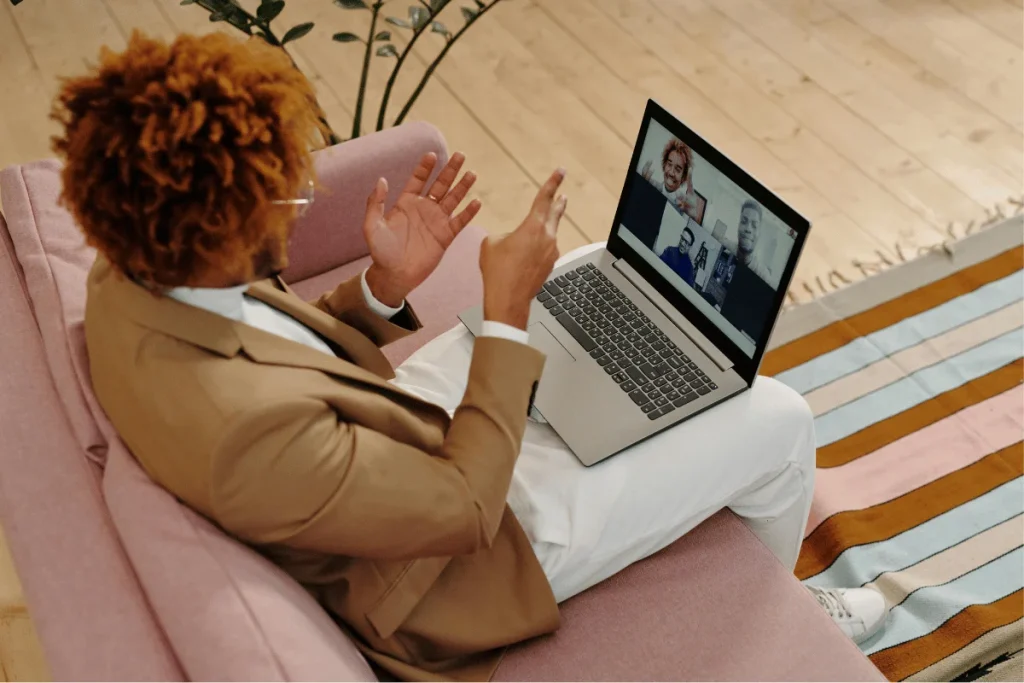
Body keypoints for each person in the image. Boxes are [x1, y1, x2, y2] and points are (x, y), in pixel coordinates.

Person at [61, 33, 887, 683]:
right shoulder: (245, 439)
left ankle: (595, 392)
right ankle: (795, 614)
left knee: (589, 266)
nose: (298, 204)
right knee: (781, 419)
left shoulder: (132, 269)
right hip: (465, 560)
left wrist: (384, 286)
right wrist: (504, 321)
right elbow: (461, 506)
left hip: (379, 442)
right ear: (213, 235)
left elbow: (277, 354)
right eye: (278, 198)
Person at [641, 136, 700, 218]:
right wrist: (641, 185)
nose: (671, 173)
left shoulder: (682, 207)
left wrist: (692, 216)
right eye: (669, 164)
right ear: (664, 165)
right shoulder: (650, 185)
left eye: (678, 169)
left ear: (683, 177)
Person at [735, 199, 776, 286]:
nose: (748, 229)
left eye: (754, 225)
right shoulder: (725, 249)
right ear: (738, 225)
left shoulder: (764, 277)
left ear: (759, 234)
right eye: (743, 221)